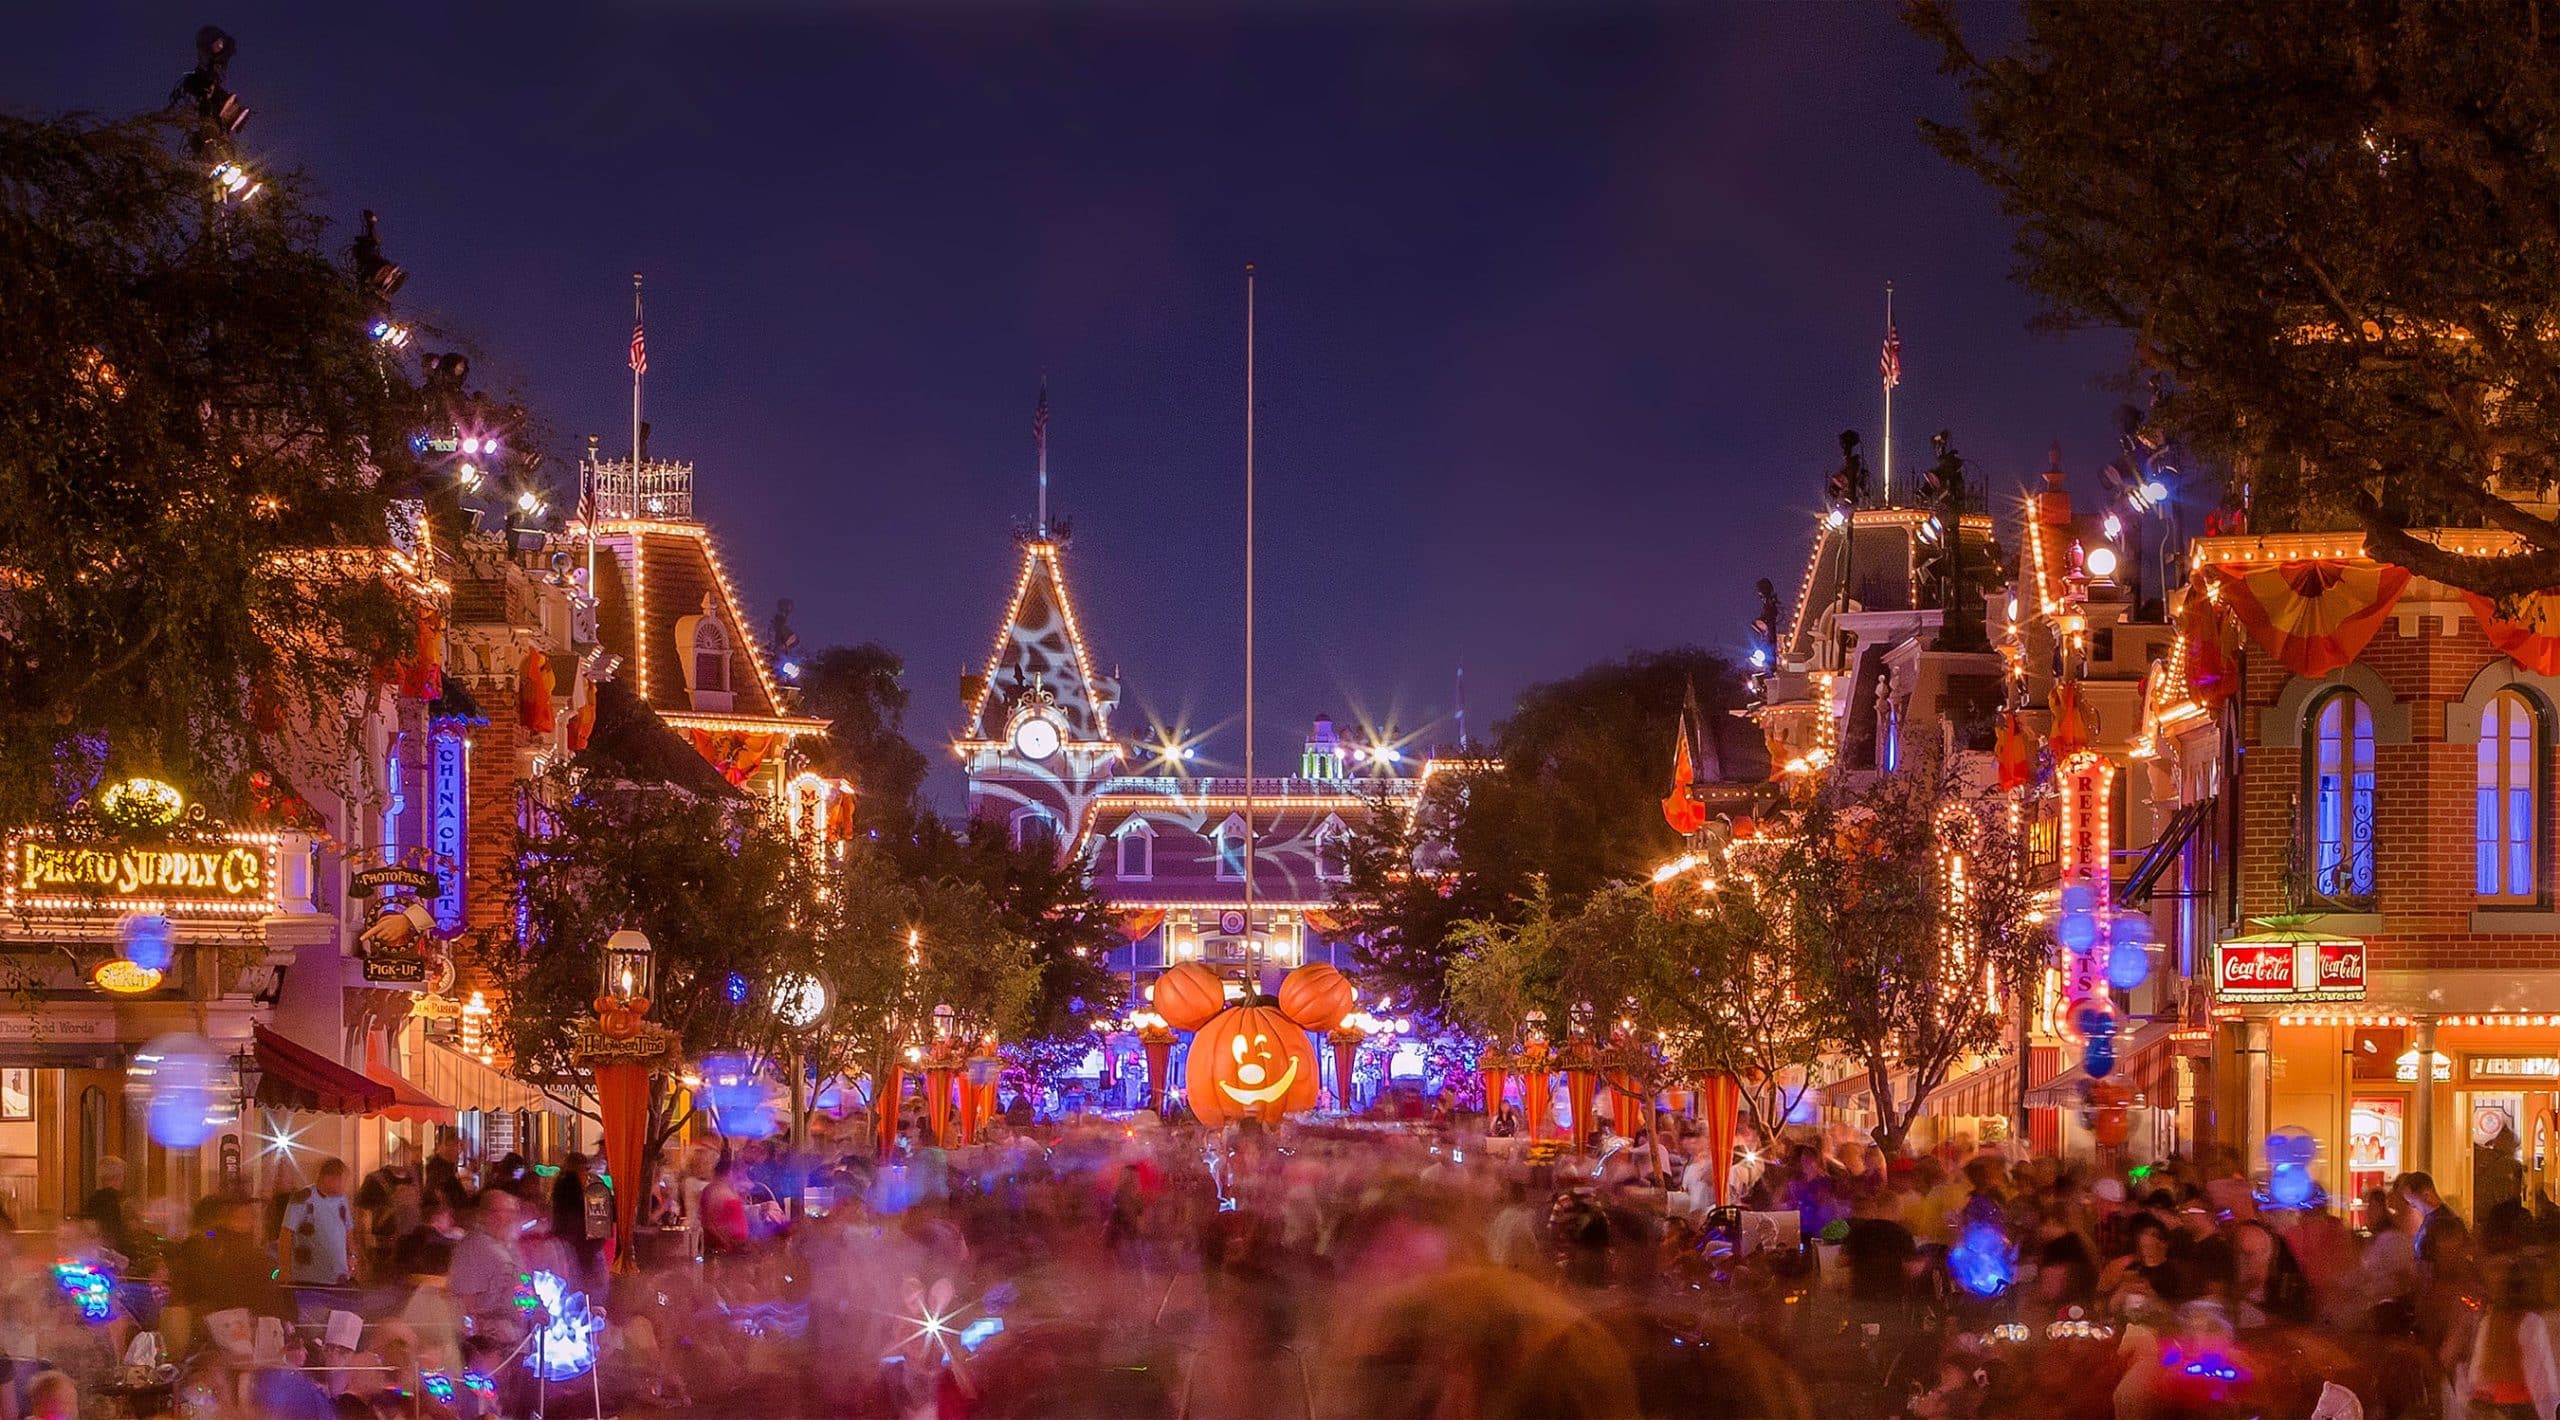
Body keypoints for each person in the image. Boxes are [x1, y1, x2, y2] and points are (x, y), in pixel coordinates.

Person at [2467, 1262, 2560, 1419]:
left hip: (2492, 1407)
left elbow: (2476, 1375)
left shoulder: (2488, 1322)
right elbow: (2539, 1376)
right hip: (2522, 1408)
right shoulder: (2531, 1321)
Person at [277, 1158, 357, 1288]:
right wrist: (285, 1270)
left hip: (338, 1277)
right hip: (309, 1278)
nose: (344, 1185)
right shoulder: (303, 1198)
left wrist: (353, 1256)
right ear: (329, 1178)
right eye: (342, 1180)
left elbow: (348, 1230)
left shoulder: (342, 1199)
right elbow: (286, 1235)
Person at [353, 1143, 420, 1280]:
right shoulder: (375, 1180)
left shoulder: (415, 1178)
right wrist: (362, 1252)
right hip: (383, 1250)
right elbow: (362, 1217)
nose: (405, 1159)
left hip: (412, 1249)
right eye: (400, 1154)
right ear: (391, 1156)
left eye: (407, 1155)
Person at [77, 1157, 128, 1260]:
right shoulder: (115, 1202)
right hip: (112, 1256)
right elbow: (114, 1231)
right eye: (123, 1176)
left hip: (96, 1253)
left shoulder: (93, 1200)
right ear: (117, 1177)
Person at [422, 1133, 470, 1215]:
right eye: (458, 1145)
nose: (460, 1151)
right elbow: (447, 1195)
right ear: (445, 1146)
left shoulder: (448, 1168)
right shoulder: (439, 1169)